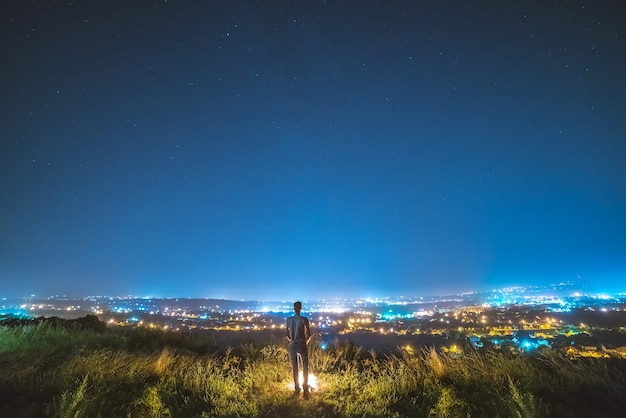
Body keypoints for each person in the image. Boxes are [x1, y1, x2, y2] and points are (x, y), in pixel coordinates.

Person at [286, 300, 311, 397]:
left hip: (293, 344)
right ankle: (305, 389)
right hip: (302, 344)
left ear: (293, 308)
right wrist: (305, 343)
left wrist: (292, 342)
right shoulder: (304, 319)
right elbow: (309, 335)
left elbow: (287, 335)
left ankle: (297, 388)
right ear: (300, 308)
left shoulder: (288, 320)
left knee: (295, 367)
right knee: (305, 367)